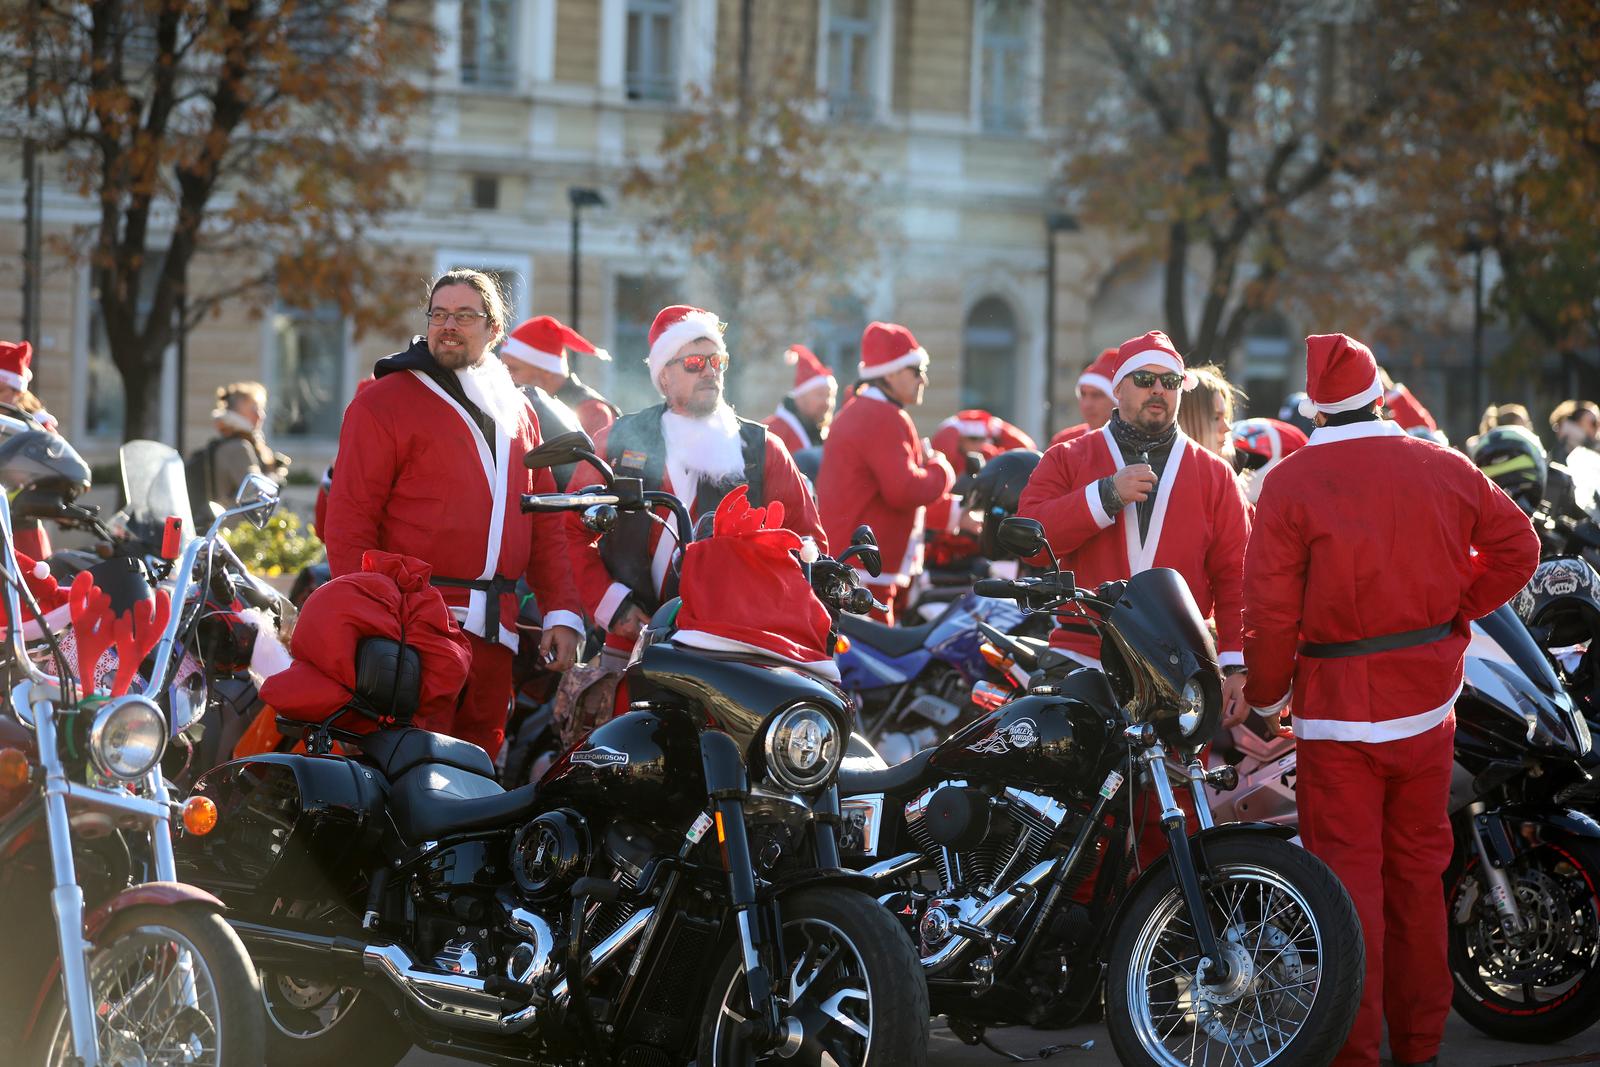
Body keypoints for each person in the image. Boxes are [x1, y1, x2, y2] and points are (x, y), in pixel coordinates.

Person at [1242, 333, 1539, 1067]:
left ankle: (1354, 1053)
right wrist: (1454, 610)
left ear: (1317, 409)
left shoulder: (1291, 481)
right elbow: (1520, 548)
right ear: (1380, 396)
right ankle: (1420, 1048)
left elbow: (1270, 615)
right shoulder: (1444, 464)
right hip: (1428, 708)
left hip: (1334, 714)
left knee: (1347, 893)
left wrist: (1265, 699)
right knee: (1416, 882)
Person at [324, 269, 584, 757]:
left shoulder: (518, 411)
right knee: (407, 769)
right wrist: (367, 617)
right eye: (439, 314)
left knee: (480, 771)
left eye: (465, 316)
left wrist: (562, 611)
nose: (448, 325)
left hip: (496, 635)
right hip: (413, 629)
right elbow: (349, 522)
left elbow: (544, 523)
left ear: (494, 329)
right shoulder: (384, 402)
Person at [564, 305, 825, 653]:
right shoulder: (617, 440)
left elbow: (808, 544)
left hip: (731, 647)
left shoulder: (763, 449)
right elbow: (569, 529)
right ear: (664, 376)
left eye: (717, 361)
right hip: (632, 643)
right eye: (694, 363)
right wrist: (613, 605)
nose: (709, 372)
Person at [1018, 329, 1250, 703]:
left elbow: (1235, 575)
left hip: (1180, 663)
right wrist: (1105, 495)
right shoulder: (1067, 456)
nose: (1158, 389)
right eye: (1144, 378)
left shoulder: (1215, 474)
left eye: (1170, 381)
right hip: (1083, 654)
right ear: (1118, 387)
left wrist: (1237, 665)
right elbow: (1032, 543)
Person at [816, 322, 956, 624]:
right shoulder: (882, 416)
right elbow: (904, 489)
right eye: (916, 370)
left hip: (854, 565)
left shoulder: (865, 410)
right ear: (890, 373)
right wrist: (941, 468)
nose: (923, 379)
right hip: (864, 573)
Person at [498, 314, 619, 439]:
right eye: (502, 367)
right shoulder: (526, 403)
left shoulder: (592, 411)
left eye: (513, 369)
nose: (505, 374)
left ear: (546, 370)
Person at [197, 381, 291, 512]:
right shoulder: (238, 447)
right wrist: (276, 477)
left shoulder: (229, 442)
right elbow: (256, 495)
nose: (261, 415)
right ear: (238, 413)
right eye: (255, 409)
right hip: (235, 523)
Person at [764, 344, 836, 454]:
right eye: (820, 395)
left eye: (830, 396)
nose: (826, 403)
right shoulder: (773, 431)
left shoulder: (824, 433)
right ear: (801, 396)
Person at [1049, 347, 1117, 446]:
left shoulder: (1133, 443)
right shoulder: (1065, 442)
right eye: (1082, 394)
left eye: (1096, 395)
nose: (1087, 404)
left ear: (1117, 400)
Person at [1176, 363, 1243, 462]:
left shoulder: (1232, 470)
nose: (1227, 428)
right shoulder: (1160, 469)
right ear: (1186, 419)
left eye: (1225, 417)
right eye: (1216, 418)